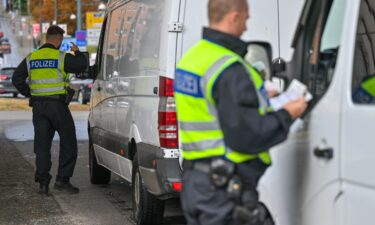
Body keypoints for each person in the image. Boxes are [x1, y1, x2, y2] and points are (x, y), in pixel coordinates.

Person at [174, 0, 307, 224]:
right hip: (224, 189)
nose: (246, 26)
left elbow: (213, 109)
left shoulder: (192, 59)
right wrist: (288, 113)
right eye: (245, 18)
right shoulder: (229, 68)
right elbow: (247, 136)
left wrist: (262, 98)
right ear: (233, 17)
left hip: (196, 183)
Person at [12, 25, 88, 196]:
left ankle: (43, 183)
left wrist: (30, 93)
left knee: (42, 145)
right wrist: (77, 51)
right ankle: (62, 181)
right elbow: (82, 65)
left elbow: (16, 78)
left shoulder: (32, 57)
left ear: (47, 38)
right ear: (59, 40)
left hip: (39, 107)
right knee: (68, 141)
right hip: (57, 106)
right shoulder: (61, 57)